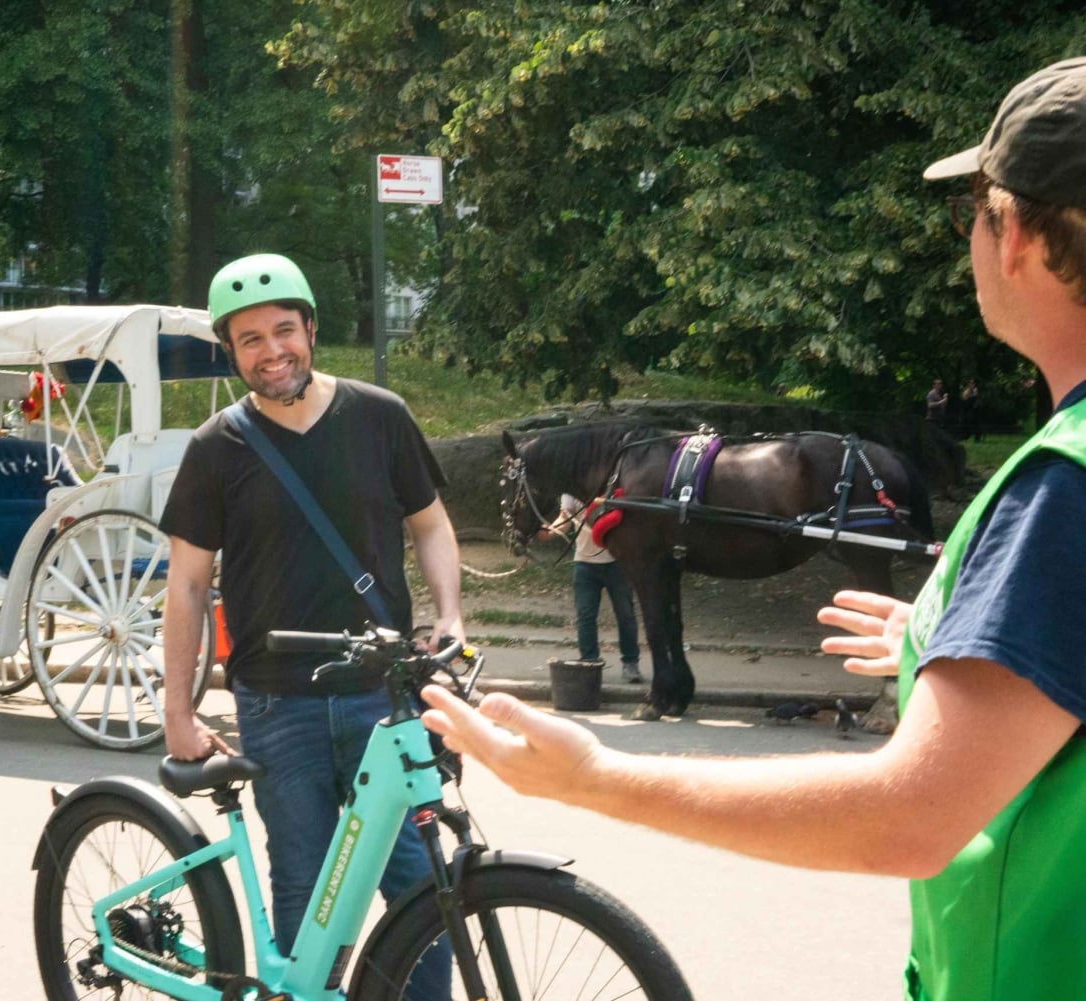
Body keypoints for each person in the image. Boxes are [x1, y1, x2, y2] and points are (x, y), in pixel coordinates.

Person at [421, 58, 1086, 1001]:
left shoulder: (1062, 487)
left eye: (966, 215)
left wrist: (597, 778)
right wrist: (971, 634)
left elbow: (908, 818)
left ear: (1012, 233)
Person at [159, 253, 464, 990]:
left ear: (312, 330)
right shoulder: (215, 448)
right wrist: (177, 710)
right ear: (231, 352)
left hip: (381, 696)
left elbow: (430, 524)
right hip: (276, 702)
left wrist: (451, 614)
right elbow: (187, 585)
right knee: (305, 886)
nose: (272, 352)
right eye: (250, 340)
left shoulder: (380, 416)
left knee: (420, 886)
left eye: (284, 331)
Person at [545, 494, 641, 683]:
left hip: (617, 563)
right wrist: (549, 531)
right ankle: (589, 664)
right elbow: (565, 518)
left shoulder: (614, 486)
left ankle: (631, 663)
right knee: (585, 617)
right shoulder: (572, 491)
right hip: (584, 564)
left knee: (626, 615)